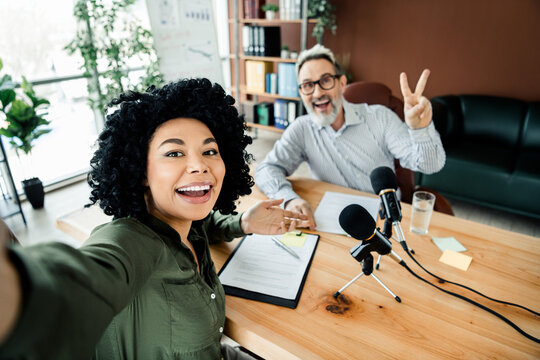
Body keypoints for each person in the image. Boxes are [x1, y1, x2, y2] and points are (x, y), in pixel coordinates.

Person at [0, 78, 307, 359]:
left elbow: (206, 225)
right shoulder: (130, 240)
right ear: (140, 171)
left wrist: (242, 223)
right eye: (174, 153)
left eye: (210, 151)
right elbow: (78, 281)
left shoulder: (187, 221)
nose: (200, 166)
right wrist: (17, 284)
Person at [254, 44, 446, 229]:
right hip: (333, 218)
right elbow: (266, 169)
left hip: (385, 219)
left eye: (326, 80)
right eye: (308, 85)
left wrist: (421, 129)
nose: (318, 92)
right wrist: (289, 198)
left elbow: (429, 165)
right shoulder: (301, 129)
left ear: (342, 83)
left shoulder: (380, 117)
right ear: (301, 92)